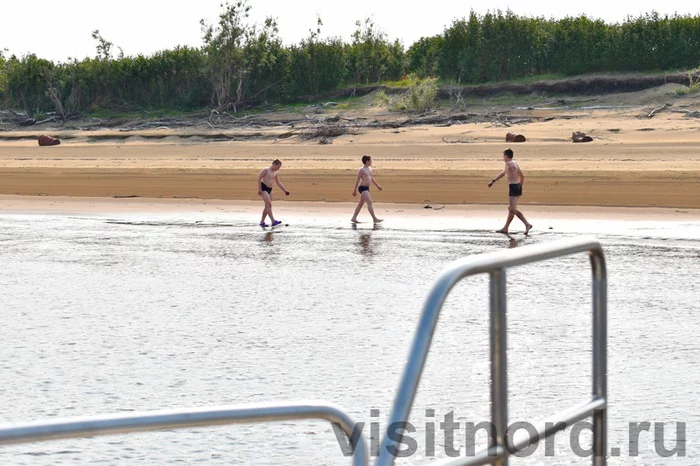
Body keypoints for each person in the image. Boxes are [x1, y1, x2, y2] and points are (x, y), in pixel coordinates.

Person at [488, 148, 533, 235]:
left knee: (512, 209)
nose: (503, 158)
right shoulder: (515, 163)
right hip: (518, 186)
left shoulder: (508, 163)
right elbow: (522, 176)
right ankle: (505, 228)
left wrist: (493, 181)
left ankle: (527, 224)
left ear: (506, 156)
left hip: (513, 187)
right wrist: (520, 187)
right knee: (510, 209)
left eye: (503, 156)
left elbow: (503, 173)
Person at [351, 155, 383, 224]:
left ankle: (353, 218)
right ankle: (374, 219)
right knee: (369, 202)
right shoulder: (361, 170)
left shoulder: (370, 168)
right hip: (362, 188)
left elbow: (371, 178)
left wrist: (377, 185)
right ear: (367, 161)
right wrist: (354, 190)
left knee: (361, 204)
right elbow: (357, 180)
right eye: (370, 160)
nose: (371, 161)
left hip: (367, 188)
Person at [257, 159, 289, 227]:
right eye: (278, 167)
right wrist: (259, 189)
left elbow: (278, 182)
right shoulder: (266, 170)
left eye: (279, 168)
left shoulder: (275, 173)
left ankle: (262, 222)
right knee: (269, 205)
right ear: (274, 164)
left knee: (267, 206)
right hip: (264, 188)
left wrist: (285, 190)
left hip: (270, 189)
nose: (278, 169)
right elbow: (259, 178)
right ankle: (273, 221)